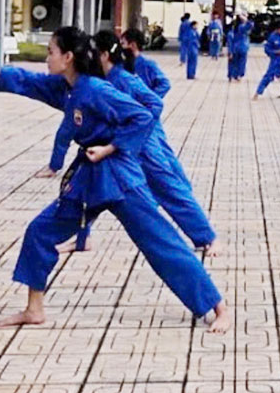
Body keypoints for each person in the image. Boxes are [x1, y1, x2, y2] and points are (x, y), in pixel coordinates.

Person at [0, 28, 230, 333]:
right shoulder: (66, 87)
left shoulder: (97, 89)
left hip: (119, 175)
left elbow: (144, 115)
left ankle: (219, 308)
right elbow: (32, 82)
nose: (47, 58)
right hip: (87, 177)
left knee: (159, 241)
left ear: (68, 57)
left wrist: (110, 147)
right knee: (40, 232)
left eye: (51, 52)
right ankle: (34, 309)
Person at [22, 30, 221, 258]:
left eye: (92, 51)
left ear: (105, 55)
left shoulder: (124, 79)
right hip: (113, 146)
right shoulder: (93, 83)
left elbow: (153, 104)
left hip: (142, 144)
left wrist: (134, 131)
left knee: (169, 189)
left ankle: (207, 237)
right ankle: (81, 239)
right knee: (88, 189)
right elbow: (67, 126)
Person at [120, 28, 170, 98]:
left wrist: (150, 98)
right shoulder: (121, 64)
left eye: (123, 43)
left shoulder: (147, 64)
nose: (121, 47)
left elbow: (164, 84)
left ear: (133, 45)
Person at [254, 23, 280, 99]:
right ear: (277, 29)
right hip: (276, 59)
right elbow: (267, 50)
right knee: (268, 76)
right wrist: (276, 52)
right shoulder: (272, 38)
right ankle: (258, 92)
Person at [227, 13, 252, 82]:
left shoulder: (233, 30)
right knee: (241, 63)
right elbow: (250, 25)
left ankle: (231, 75)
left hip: (235, 48)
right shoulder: (242, 28)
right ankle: (238, 75)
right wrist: (246, 20)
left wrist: (230, 51)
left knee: (233, 62)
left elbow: (230, 42)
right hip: (242, 47)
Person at [178, 13, 200, 80]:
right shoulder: (191, 29)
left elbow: (180, 31)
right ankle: (191, 74)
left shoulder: (182, 23)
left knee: (183, 50)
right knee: (192, 61)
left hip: (184, 39)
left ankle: (182, 60)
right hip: (192, 46)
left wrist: (180, 38)